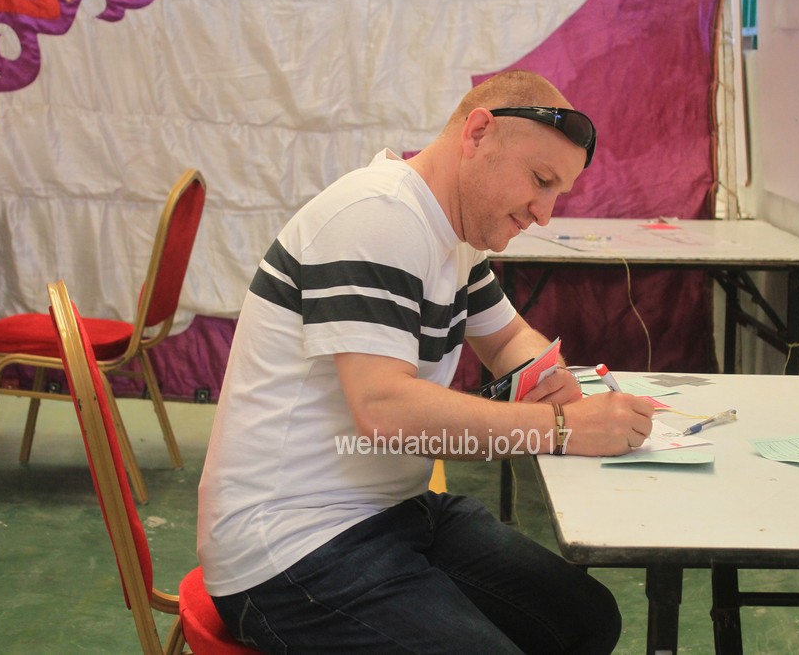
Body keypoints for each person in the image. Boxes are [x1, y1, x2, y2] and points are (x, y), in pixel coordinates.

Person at [198, 69, 654, 654]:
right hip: (292, 544)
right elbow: (384, 411)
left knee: (586, 619)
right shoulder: (376, 216)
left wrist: (550, 379)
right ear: (478, 133)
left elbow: (508, 340)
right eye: (540, 181)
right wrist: (563, 427)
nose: (543, 213)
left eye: (557, 194)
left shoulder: (455, 235)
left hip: (389, 511)